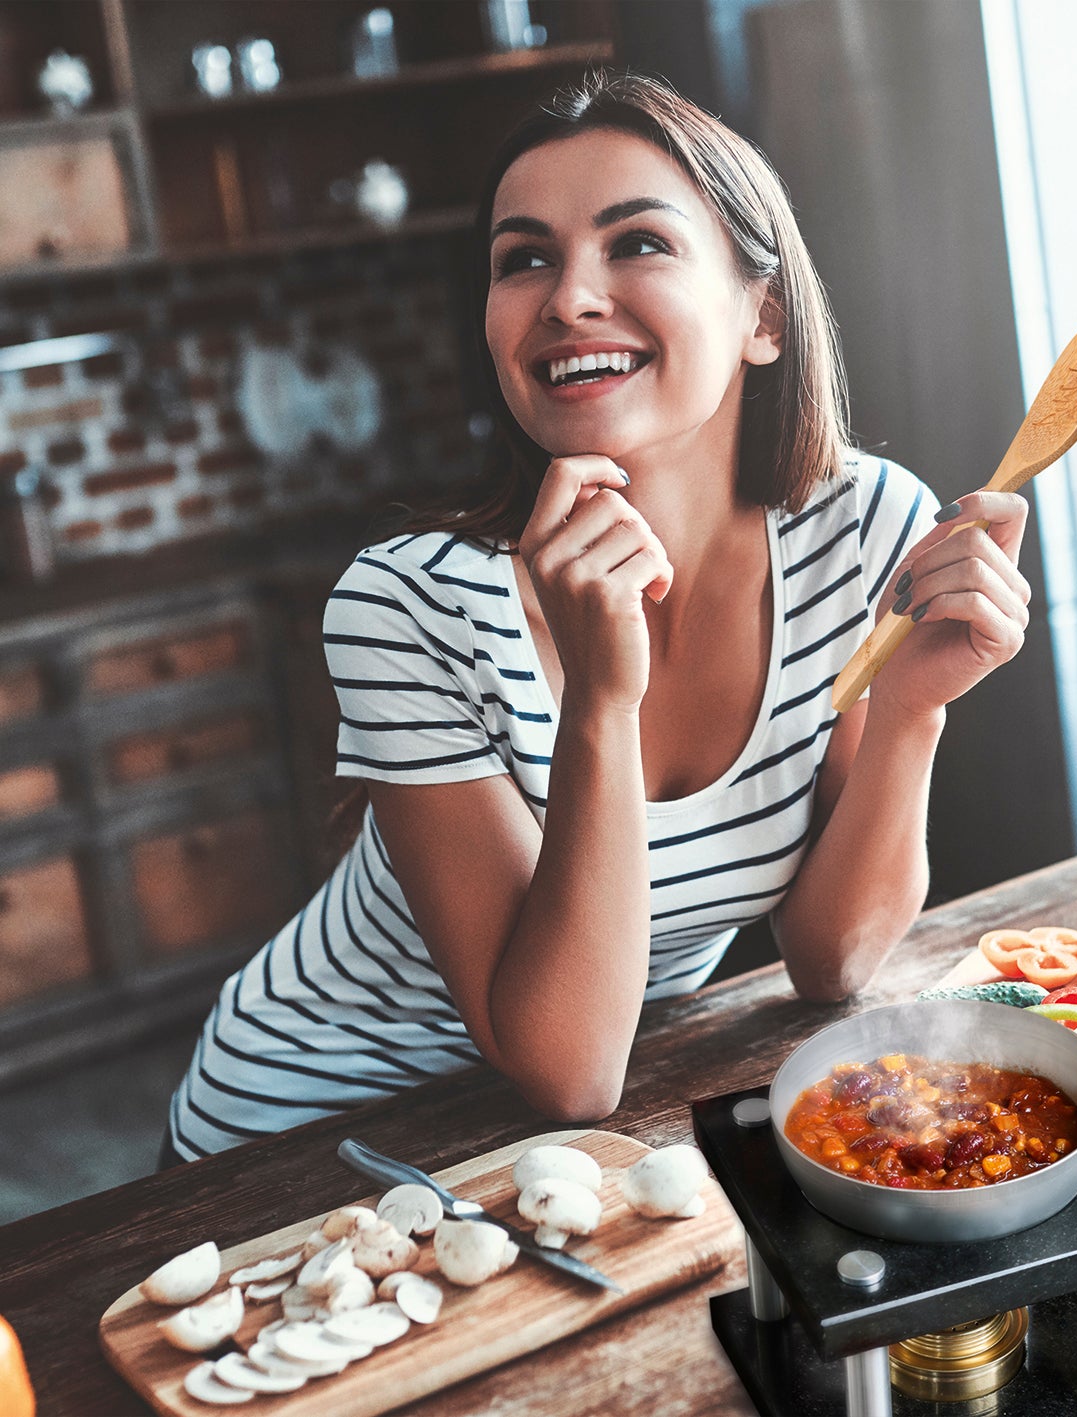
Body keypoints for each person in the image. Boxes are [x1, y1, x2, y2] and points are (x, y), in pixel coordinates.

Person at [163, 70, 1032, 1161]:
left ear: (762, 315)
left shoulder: (861, 530)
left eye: (637, 244)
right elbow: (569, 1067)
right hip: (297, 1139)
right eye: (523, 258)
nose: (569, 296)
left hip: (577, 1136)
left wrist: (909, 707)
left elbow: (834, 960)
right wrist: (601, 700)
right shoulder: (407, 606)